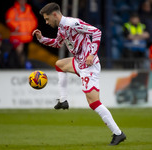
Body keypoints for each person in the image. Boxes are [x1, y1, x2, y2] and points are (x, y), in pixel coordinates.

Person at [32, 2, 126, 145]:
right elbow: (58, 43)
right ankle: (63, 100)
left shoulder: (72, 23)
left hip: (89, 65)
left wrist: (92, 54)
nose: (46, 22)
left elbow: (96, 32)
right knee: (60, 65)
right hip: (78, 62)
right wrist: (41, 39)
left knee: (94, 103)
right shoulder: (62, 28)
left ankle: (118, 133)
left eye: (47, 18)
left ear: (55, 15)